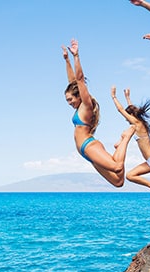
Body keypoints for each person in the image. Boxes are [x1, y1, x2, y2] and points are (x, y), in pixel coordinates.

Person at [63, 39, 136, 187]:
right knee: (118, 182)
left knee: (117, 167)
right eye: (67, 101)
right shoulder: (79, 107)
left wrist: (76, 56)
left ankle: (126, 138)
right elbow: (73, 82)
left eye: (70, 100)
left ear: (79, 96)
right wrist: (66, 60)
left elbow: (79, 79)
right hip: (86, 153)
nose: (69, 103)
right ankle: (119, 147)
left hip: (89, 146)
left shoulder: (86, 105)